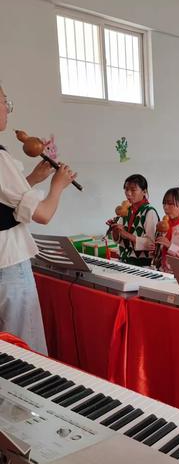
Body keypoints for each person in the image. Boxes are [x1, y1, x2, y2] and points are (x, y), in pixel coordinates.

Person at [0, 84, 76, 353]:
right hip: (8, 263)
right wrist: (58, 184)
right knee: (23, 347)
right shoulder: (1, 158)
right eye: (4, 101)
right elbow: (43, 214)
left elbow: (5, 200)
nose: (7, 110)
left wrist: (31, 179)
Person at [108, 174, 159, 266]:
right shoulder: (126, 210)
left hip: (143, 265)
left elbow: (152, 244)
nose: (128, 193)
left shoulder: (149, 212)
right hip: (124, 260)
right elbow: (118, 241)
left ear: (144, 192)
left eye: (133, 190)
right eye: (126, 189)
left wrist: (127, 235)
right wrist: (116, 230)